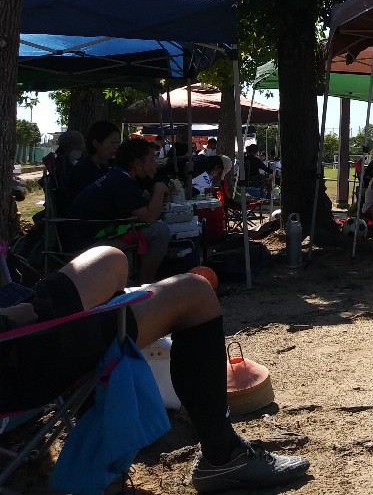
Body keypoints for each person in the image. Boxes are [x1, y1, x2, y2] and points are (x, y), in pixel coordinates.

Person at [0, 246, 310, 490]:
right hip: (12, 351)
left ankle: (101, 429)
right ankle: (223, 455)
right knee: (195, 292)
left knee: (110, 258)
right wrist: (11, 318)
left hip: (15, 320)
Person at [65, 138, 174, 284]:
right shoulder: (120, 182)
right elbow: (150, 216)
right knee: (160, 231)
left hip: (92, 236)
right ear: (136, 164)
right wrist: (160, 189)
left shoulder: (117, 176)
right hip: (86, 246)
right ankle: (146, 283)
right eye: (151, 160)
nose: (155, 165)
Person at [68, 121, 121, 199]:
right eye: (112, 142)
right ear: (96, 143)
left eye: (118, 143)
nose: (116, 147)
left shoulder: (115, 167)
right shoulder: (83, 170)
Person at [43, 129, 85, 216]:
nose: (80, 151)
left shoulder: (65, 163)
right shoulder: (63, 166)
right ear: (67, 148)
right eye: (77, 149)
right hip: (71, 211)